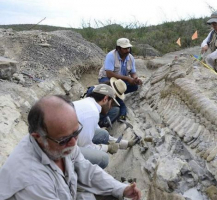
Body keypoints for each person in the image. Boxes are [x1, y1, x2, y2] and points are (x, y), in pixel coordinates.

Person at [0, 95, 141, 200]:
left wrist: (121, 188)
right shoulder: (32, 182)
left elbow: (88, 171)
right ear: (38, 137)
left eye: (76, 132)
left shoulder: (58, 144)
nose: (74, 143)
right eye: (65, 139)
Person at [74, 84, 138, 169]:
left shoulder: (88, 103)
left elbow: (98, 131)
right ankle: (79, 178)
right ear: (105, 99)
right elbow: (85, 147)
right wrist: (107, 148)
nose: (111, 107)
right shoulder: (92, 113)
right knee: (103, 159)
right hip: (60, 152)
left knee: (103, 134)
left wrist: (125, 144)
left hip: (65, 140)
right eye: (111, 103)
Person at [98, 38, 143, 121]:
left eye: (128, 48)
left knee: (135, 87)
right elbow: (109, 74)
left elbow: (133, 72)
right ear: (118, 48)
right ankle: (121, 110)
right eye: (125, 48)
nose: (127, 50)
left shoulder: (131, 58)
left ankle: (115, 94)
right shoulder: (111, 55)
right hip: (106, 78)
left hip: (120, 80)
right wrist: (127, 78)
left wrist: (135, 78)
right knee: (110, 89)